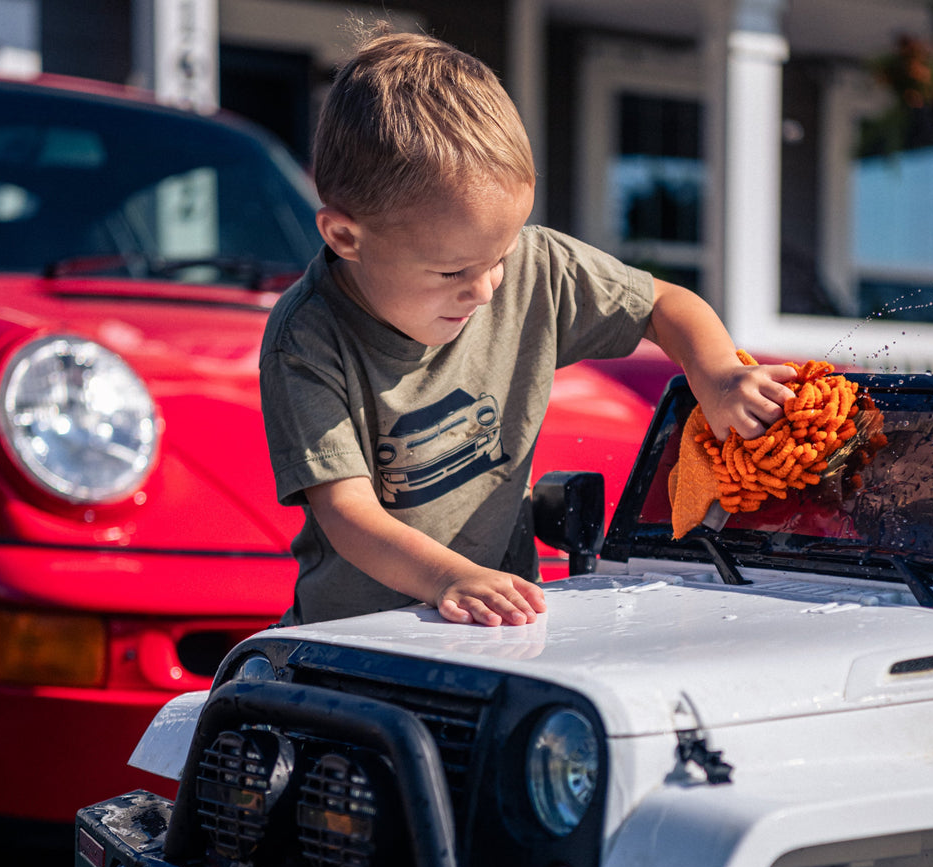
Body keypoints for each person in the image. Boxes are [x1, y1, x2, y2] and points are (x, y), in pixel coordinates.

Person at [260, 27, 795, 629]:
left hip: (498, 630)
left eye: (501, 256)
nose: (486, 288)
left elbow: (663, 303)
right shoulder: (308, 338)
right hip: (356, 641)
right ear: (344, 237)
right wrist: (449, 578)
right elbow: (346, 511)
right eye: (453, 270)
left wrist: (718, 373)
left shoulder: (533, 267)